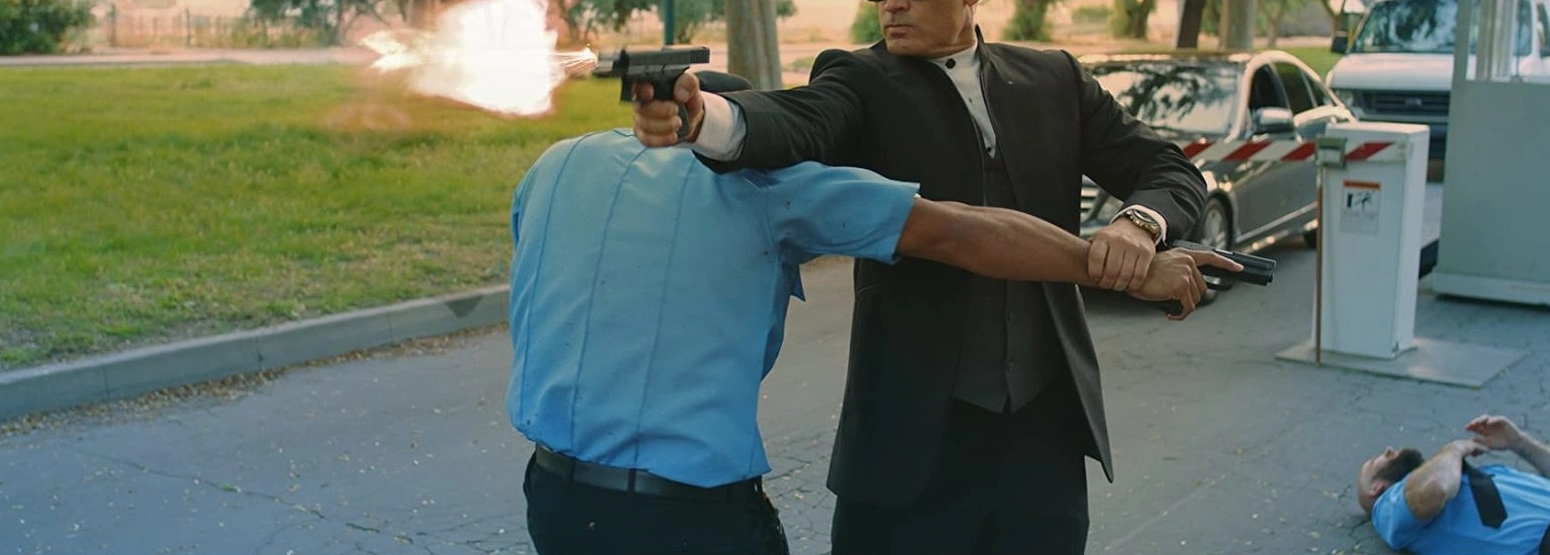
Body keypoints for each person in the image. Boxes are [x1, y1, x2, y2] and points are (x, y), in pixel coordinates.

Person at [630, 0, 1208, 552]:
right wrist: (703, 117)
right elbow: (794, 120)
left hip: (1044, 438)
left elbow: (1169, 169)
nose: (893, 2)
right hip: (911, 446)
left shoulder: (1054, 78)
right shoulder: (858, 79)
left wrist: (1138, 225)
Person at [508, 71, 1236, 555]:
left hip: (555, 501)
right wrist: (1122, 267)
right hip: (689, 518)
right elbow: (958, 232)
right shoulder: (767, 187)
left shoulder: (557, 164)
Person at [1357, 414, 1550, 555]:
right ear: (1375, 488)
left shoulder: (1492, 472)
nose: (1388, 450)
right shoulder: (1389, 504)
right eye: (1375, 461)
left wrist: (1519, 442)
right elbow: (1434, 487)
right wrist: (1455, 449)